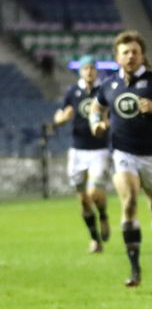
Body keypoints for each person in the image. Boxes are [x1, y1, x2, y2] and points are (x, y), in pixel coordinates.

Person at [89, 30, 152, 287]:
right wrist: (96, 123)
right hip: (123, 153)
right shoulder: (109, 84)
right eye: (125, 52)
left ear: (142, 55)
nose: (130, 56)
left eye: (135, 51)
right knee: (129, 200)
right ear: (117, 57)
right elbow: (96, 107)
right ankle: (135, 270)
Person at [52, 55, 111, 254]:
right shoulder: (72, 91)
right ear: (80, 71)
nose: (89, 72)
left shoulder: (103, 90)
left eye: (92, 68)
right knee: (83, 198)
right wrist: (61, 119)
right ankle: (95, 239)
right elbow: (60, 115)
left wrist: (106, 123)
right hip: (77, 150)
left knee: (94, 192)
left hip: (99, 149)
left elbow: (110, 114)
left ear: (96, 71)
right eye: (85, 68)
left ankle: (102, 214)